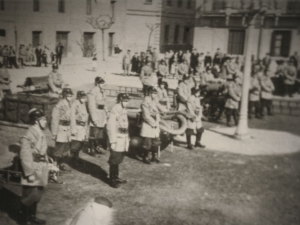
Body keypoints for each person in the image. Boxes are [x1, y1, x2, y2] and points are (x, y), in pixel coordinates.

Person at [19, 108, 48, 225]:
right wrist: (29, 173)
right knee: (29, 196)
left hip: (40, 167)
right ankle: (23, 220)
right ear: (36, 121)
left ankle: (31, 217)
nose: (46, 121)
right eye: (44, 119)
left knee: (36, 195)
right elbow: (25, 155)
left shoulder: (39, 132)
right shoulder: (29, 134)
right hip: (32, 168)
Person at [106, 93, 130, 188]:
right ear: (120, 100)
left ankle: (116, 176)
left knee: (119, 158)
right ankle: (112, 179)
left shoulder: (123, 110)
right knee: (114, 159)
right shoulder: (115, 110)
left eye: (127, 101)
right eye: (125, 101)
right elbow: (110, 127)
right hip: (117, 138)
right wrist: (112, 141)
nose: (126, 103)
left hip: (123, 137)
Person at [140, 87, 167, 164]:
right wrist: (153, 123)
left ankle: (154, 156)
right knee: (147, 142)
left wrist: (164, 110)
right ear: (149, 93)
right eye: (153, 93)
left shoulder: (154, 100)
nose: (155, 95)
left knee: (156, 141)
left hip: (155, 123)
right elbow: (146, 115)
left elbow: (158, 106)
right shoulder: (145, 102)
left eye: (155, 93)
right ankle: (145, 156)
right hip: (148, 124)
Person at [51, 88, 73, 172]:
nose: (70, 97)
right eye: (68, 95)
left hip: (67, 128)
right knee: (59, 146)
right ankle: (55, 164)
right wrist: (54, 132)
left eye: (71, 95)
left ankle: (62, 164)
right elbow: (54, 118)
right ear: (64, 95)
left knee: (66, 147)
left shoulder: (69, 104)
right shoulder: (60, 104)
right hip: (61, 127)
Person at [87, 77, 108, 157]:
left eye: (103, 83)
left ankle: (97, 147)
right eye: (102, 83)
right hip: (96, 113)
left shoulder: (102, 91)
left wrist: (106, 113)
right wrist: (94, 118)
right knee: (94, 132)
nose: (104, 84)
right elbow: (91, 106)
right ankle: (91, 148)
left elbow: (105, 102)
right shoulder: (93, 92)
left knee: (100, 133)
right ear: (97, 84)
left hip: (102, 113)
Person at [70, 91, 89, 166]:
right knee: (76, 143)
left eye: (85, 97)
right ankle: (73, 159)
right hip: (77, 126)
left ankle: (76, 157)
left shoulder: (83, 104)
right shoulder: (75, 104)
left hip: (82, 127)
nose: (85, 99)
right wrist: (73, 129)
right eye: (83, 97)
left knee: (80, 143)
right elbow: (72, 117)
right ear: (79, 97)